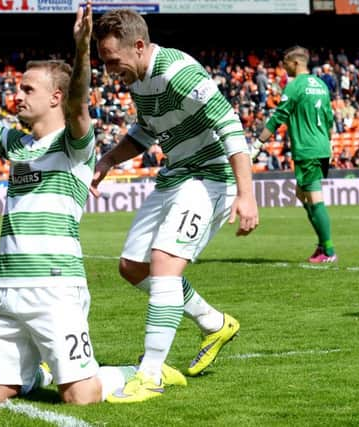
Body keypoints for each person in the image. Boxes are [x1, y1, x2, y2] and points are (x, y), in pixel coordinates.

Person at [0, 2, 185, 405]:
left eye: (26, 89)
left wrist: (83, 48)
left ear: (55, 97)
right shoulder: (17, 144)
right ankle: (35, 367)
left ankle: (141, 372)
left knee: (81, 397)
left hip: (55, 288)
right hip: (8, 290)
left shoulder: (75, 145)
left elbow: (79, 105)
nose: (15, 95)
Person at [90, 9, 259, 403]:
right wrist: (108, 161)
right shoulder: (138, 80)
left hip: (209, 176)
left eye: (113, 60)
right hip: (177, 174)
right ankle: (214, 323)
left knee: (164, 263)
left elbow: (230, 125)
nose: (110, 70)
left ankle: (151, 374)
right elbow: (146, 132)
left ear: (138, 46)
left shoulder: (179, 72)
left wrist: (246, 194)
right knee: (132, 266)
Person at [250, 46, 336, 263]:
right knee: (301, 193)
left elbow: (278, 116)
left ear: (296, 63)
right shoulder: (321, 85)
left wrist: (258, 143)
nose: (283, 68)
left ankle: (328, 250)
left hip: (307, 149)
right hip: (321, 146)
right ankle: (322, 244)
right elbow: (329, 119)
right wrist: (330, 145)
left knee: (314, 197)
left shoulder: (295, 86)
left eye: (285, 64)